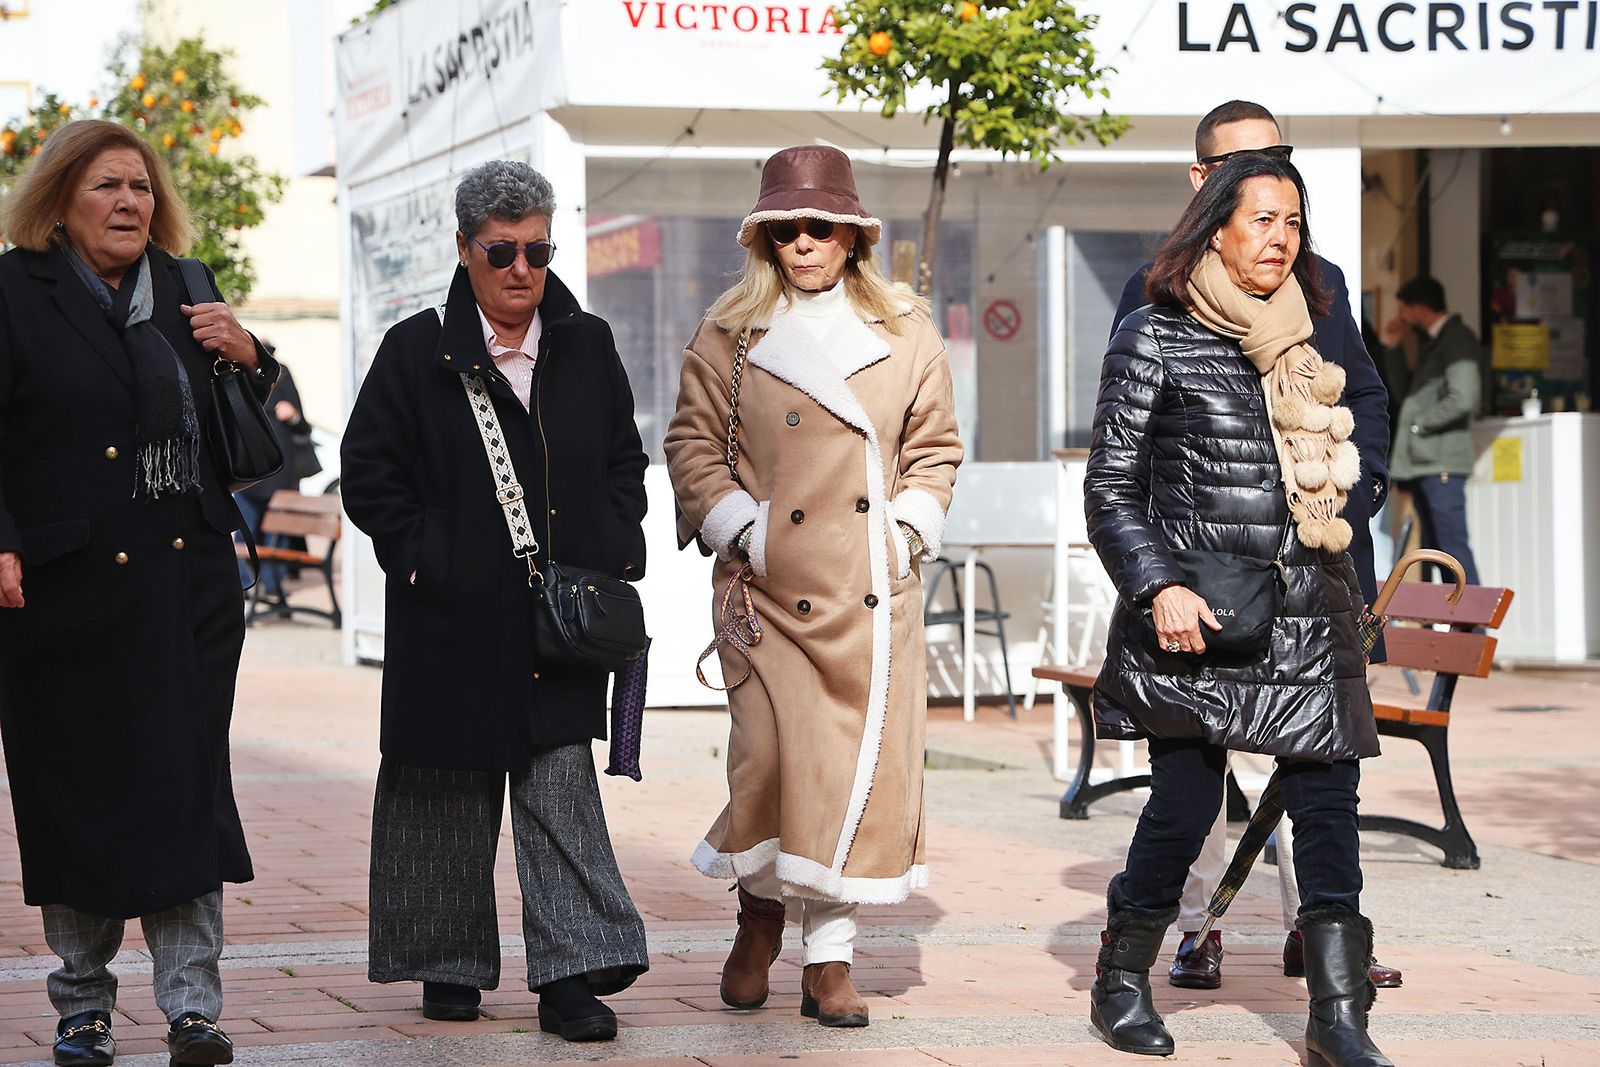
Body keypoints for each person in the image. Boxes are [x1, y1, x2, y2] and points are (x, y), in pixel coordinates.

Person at [1084, 153, 1392, 1067]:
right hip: (1201, 613)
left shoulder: (1311, 333)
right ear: (1214, 222)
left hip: (1308, 608)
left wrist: (1357, 491)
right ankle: (1120, 977)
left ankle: (1339, 1017)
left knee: (1330, 805)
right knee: (1183, 803)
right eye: (1262, 218)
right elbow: (1111, 488)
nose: (1280, 237)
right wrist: (1157, 585)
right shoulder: (1153, 334)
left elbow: (1357, 429)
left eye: (1292, 221)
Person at [341, 160, 650, 1043]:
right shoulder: (416, 348)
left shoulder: (587, 341)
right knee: (441, 781)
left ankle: (571, 973)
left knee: (558, 784)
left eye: (539, 249)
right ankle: (449, 961)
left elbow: (622, 460)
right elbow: (368, 470)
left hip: (558, 622)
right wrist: (422, 559)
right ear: (465, 249)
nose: (522, 268)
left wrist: (615, 542)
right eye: (502, 250)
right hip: (449, 612)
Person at [0, 119, 278, 1067]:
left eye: (142, 188)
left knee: (184, 787)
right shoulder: (12, 290)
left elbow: (246, 420)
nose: (129, 204)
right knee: (74, 792)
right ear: (59, 200)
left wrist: (249, 351)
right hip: (62, 591)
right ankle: (82, 1006)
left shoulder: (188, 286)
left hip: (185, 582)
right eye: (106, 187)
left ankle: (192, 1006)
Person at [665, 145, 962, 1029]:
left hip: (868, 594)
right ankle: (759, 917)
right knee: (766, 764)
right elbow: (689, 444)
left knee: (852, 774)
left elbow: (936, 448)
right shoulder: (731, 333)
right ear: (764, 237)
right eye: (786, 226)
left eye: (820, 225)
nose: (804, 240)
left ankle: (829, 958)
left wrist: (904, 531)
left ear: (852, 236)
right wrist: (741, 527)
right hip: (763, 595)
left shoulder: (907, 332)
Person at [1381, 275, 1482, 586]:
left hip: (1442, 464)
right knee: (1439, 548)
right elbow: (1407, 394)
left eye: (1405, 309)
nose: (1402, 317)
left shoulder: (1456, 339)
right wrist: (1392, 349)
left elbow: (1463, 398)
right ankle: (1457, 627)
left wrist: (1417, 425)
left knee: (1452, 549)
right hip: (1426, 462)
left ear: (1420, 307)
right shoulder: (1434, 341)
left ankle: (1472, 628)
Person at [234, 356, 315, 597]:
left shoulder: (282, 374)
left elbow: (303, 426)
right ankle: (244, 584)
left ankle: (273, 586)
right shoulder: (235, 373)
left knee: (276, 535)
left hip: (279, 475)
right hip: (245, 473)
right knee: (244, 531)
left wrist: (293, 416)